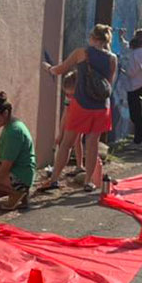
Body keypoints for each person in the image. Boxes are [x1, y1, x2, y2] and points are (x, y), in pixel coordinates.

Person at [41, 24, 117, 192]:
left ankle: (54, 179)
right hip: (101, 107)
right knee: (92, 145)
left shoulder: (81, 53)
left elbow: (60, 69)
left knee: (67, 143)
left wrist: (49, 68)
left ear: (92, 38)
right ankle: (88, 181)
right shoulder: (112, 58)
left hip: (81, 105)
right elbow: (109, 85)